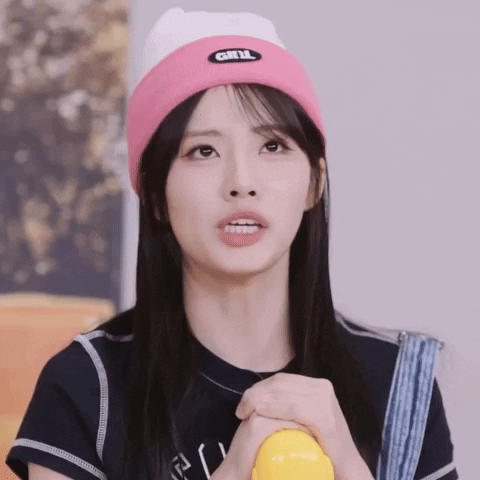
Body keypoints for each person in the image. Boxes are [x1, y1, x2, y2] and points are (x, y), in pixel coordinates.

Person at [6, 7, 458, 480]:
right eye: (203, 151)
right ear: (155, 194)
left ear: (314, 182)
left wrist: (348, 464)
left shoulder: (400, 386)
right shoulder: (86, 386)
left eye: (272, 146)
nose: (242, 182)